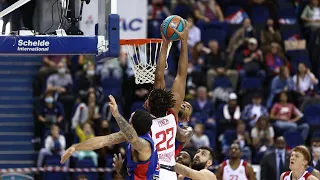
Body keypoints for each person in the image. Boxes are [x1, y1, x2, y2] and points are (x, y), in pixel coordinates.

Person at [61, 20, 190, 180]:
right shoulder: (172, 115)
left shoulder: (142, 130)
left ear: (148, 105)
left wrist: (164, 43)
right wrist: (184, 42)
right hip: (170, 173)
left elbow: (103, 141)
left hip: (154, 174)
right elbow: (181, 75)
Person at [62, 96, 159, 180]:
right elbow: (101, 141)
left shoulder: (145, 145)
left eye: (130, 119)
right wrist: (76, 147)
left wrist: (117, 115)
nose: (128, 120)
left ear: (133, 126)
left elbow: (132, 137)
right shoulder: (129, 137)